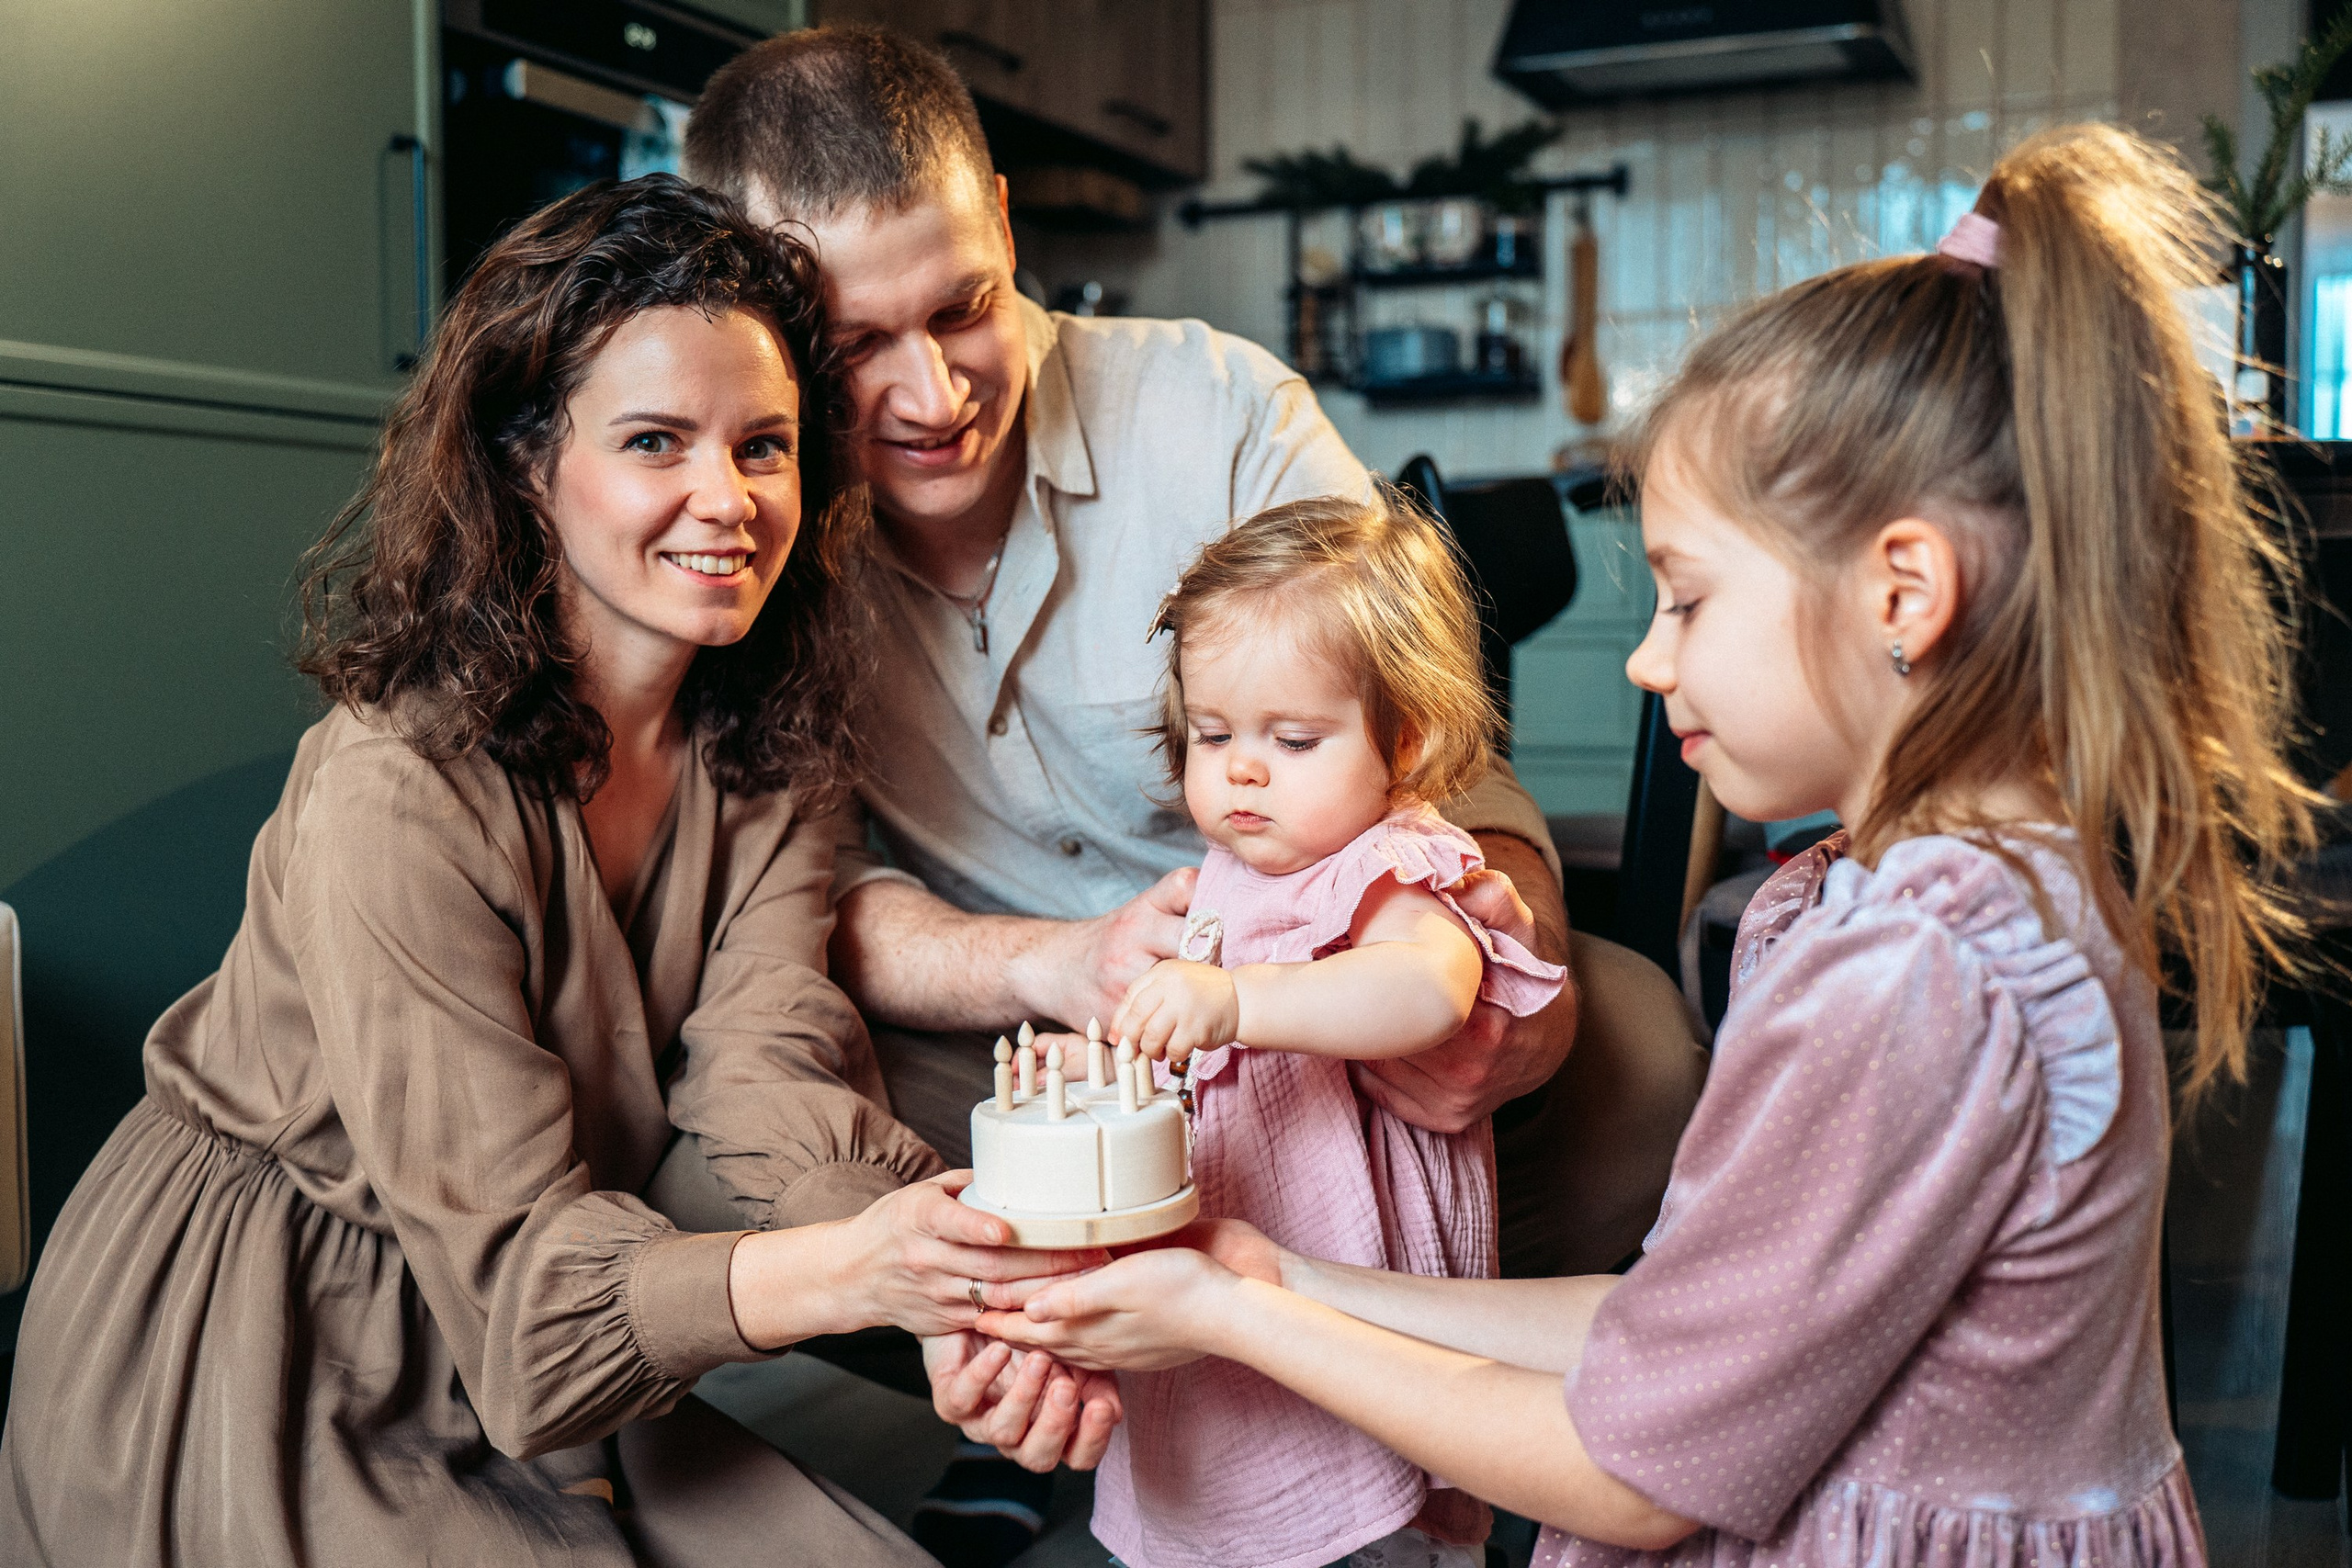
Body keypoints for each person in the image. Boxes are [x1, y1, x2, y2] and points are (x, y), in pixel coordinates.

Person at [954, 125, 2319, 1566]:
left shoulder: (1916, 970)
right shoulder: (1960, 896)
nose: (1646, 661)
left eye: (1686, 598)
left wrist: (1237, 1318)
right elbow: (1663, 1322)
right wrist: (1275, 1271)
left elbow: (1632, 1469)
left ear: (1902, 592)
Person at [0, 175, 1101, 1567]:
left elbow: (762, 1085)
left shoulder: (764, 743)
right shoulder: (392, 791)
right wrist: (858, 1269)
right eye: (656, 440)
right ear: (529, 466)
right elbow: (527, 1311)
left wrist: (943, 1285)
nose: (727, 497)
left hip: (559, 1285)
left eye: (763, 446)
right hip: (273, 1338)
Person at [680, 13, 1702, 1303]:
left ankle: (1314, 1356)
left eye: (962, 308)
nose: (933, 397)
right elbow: (805, 896)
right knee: (719, 1154)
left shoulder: (1216, 410)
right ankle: (1064, 1391)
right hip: (1013, 1041)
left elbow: (1428, 744)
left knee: (1639, 1051)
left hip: (1315, 1026)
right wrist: (1042, 963)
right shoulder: (737, 524)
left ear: (1001, 222)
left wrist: (1507, 960)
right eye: (852, 347)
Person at [1093, 493, 1567, 1568]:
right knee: (1230, 1453)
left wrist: (1240, 1001)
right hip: (1239, 1233)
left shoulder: (1388, 860)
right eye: (1212, 735)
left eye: (1292, 739)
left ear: (1403, 739)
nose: (1241, 770)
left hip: (1351, 1259)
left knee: (1359, 1497)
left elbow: (1426, 989)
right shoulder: (1232, 870)